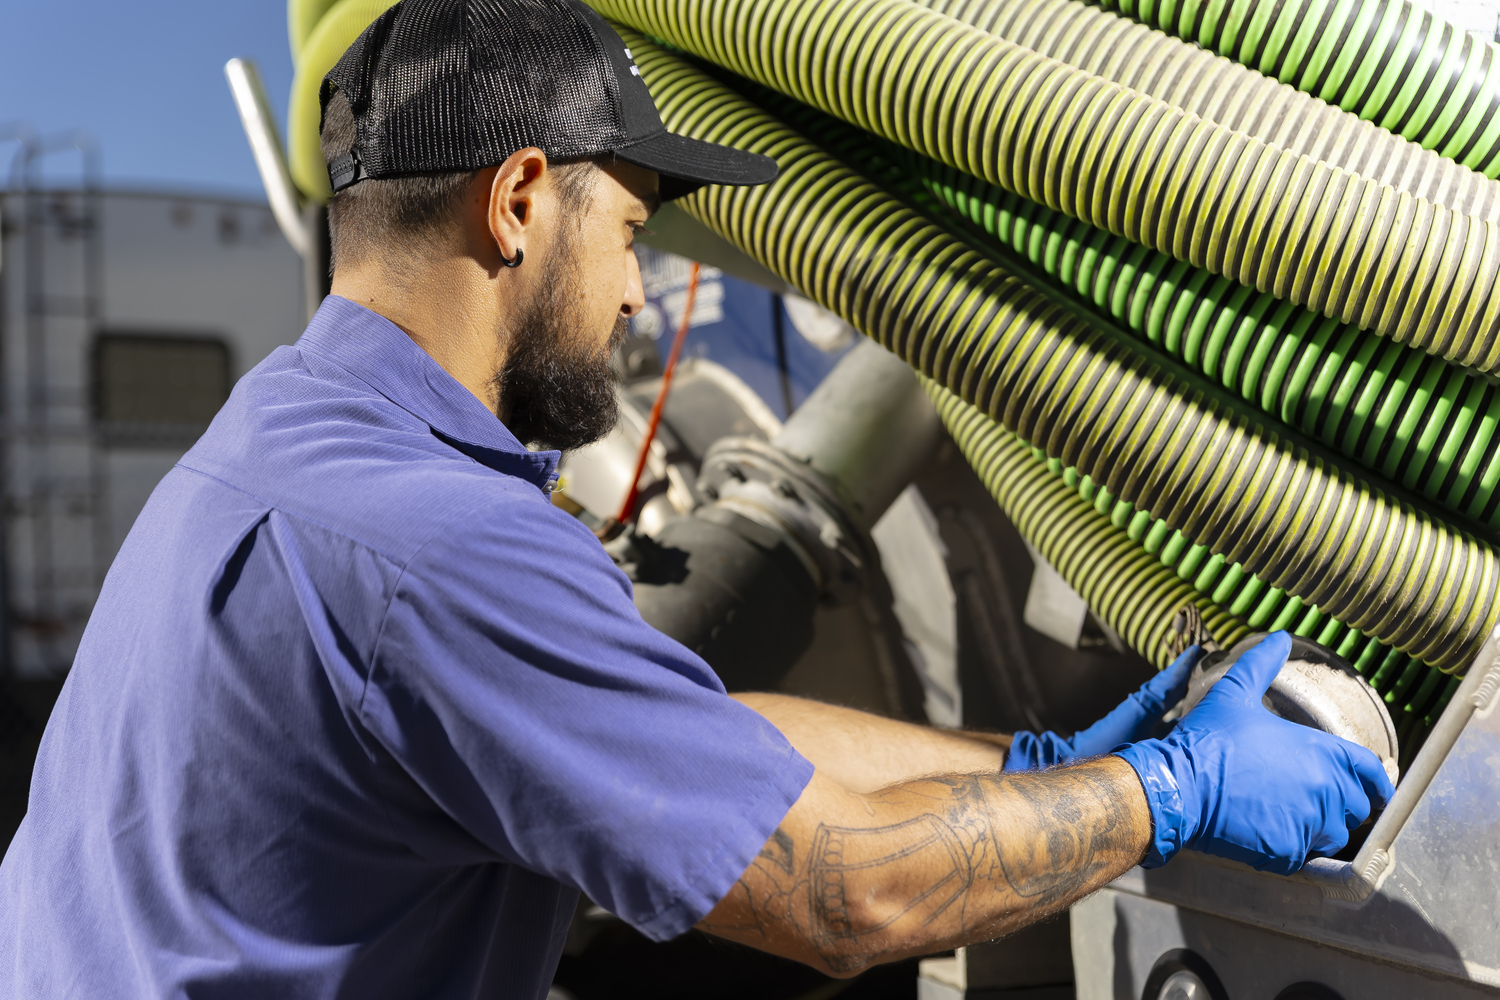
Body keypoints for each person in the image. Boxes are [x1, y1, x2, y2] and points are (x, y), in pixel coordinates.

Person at [0, 0, 1394, 996]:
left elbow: (685, 739)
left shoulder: (282, 438)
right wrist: (1163, 794)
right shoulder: (434, 546)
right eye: (630, 230)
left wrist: (1033, 765)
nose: (632, 290)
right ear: (519, 202)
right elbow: (845, 893)